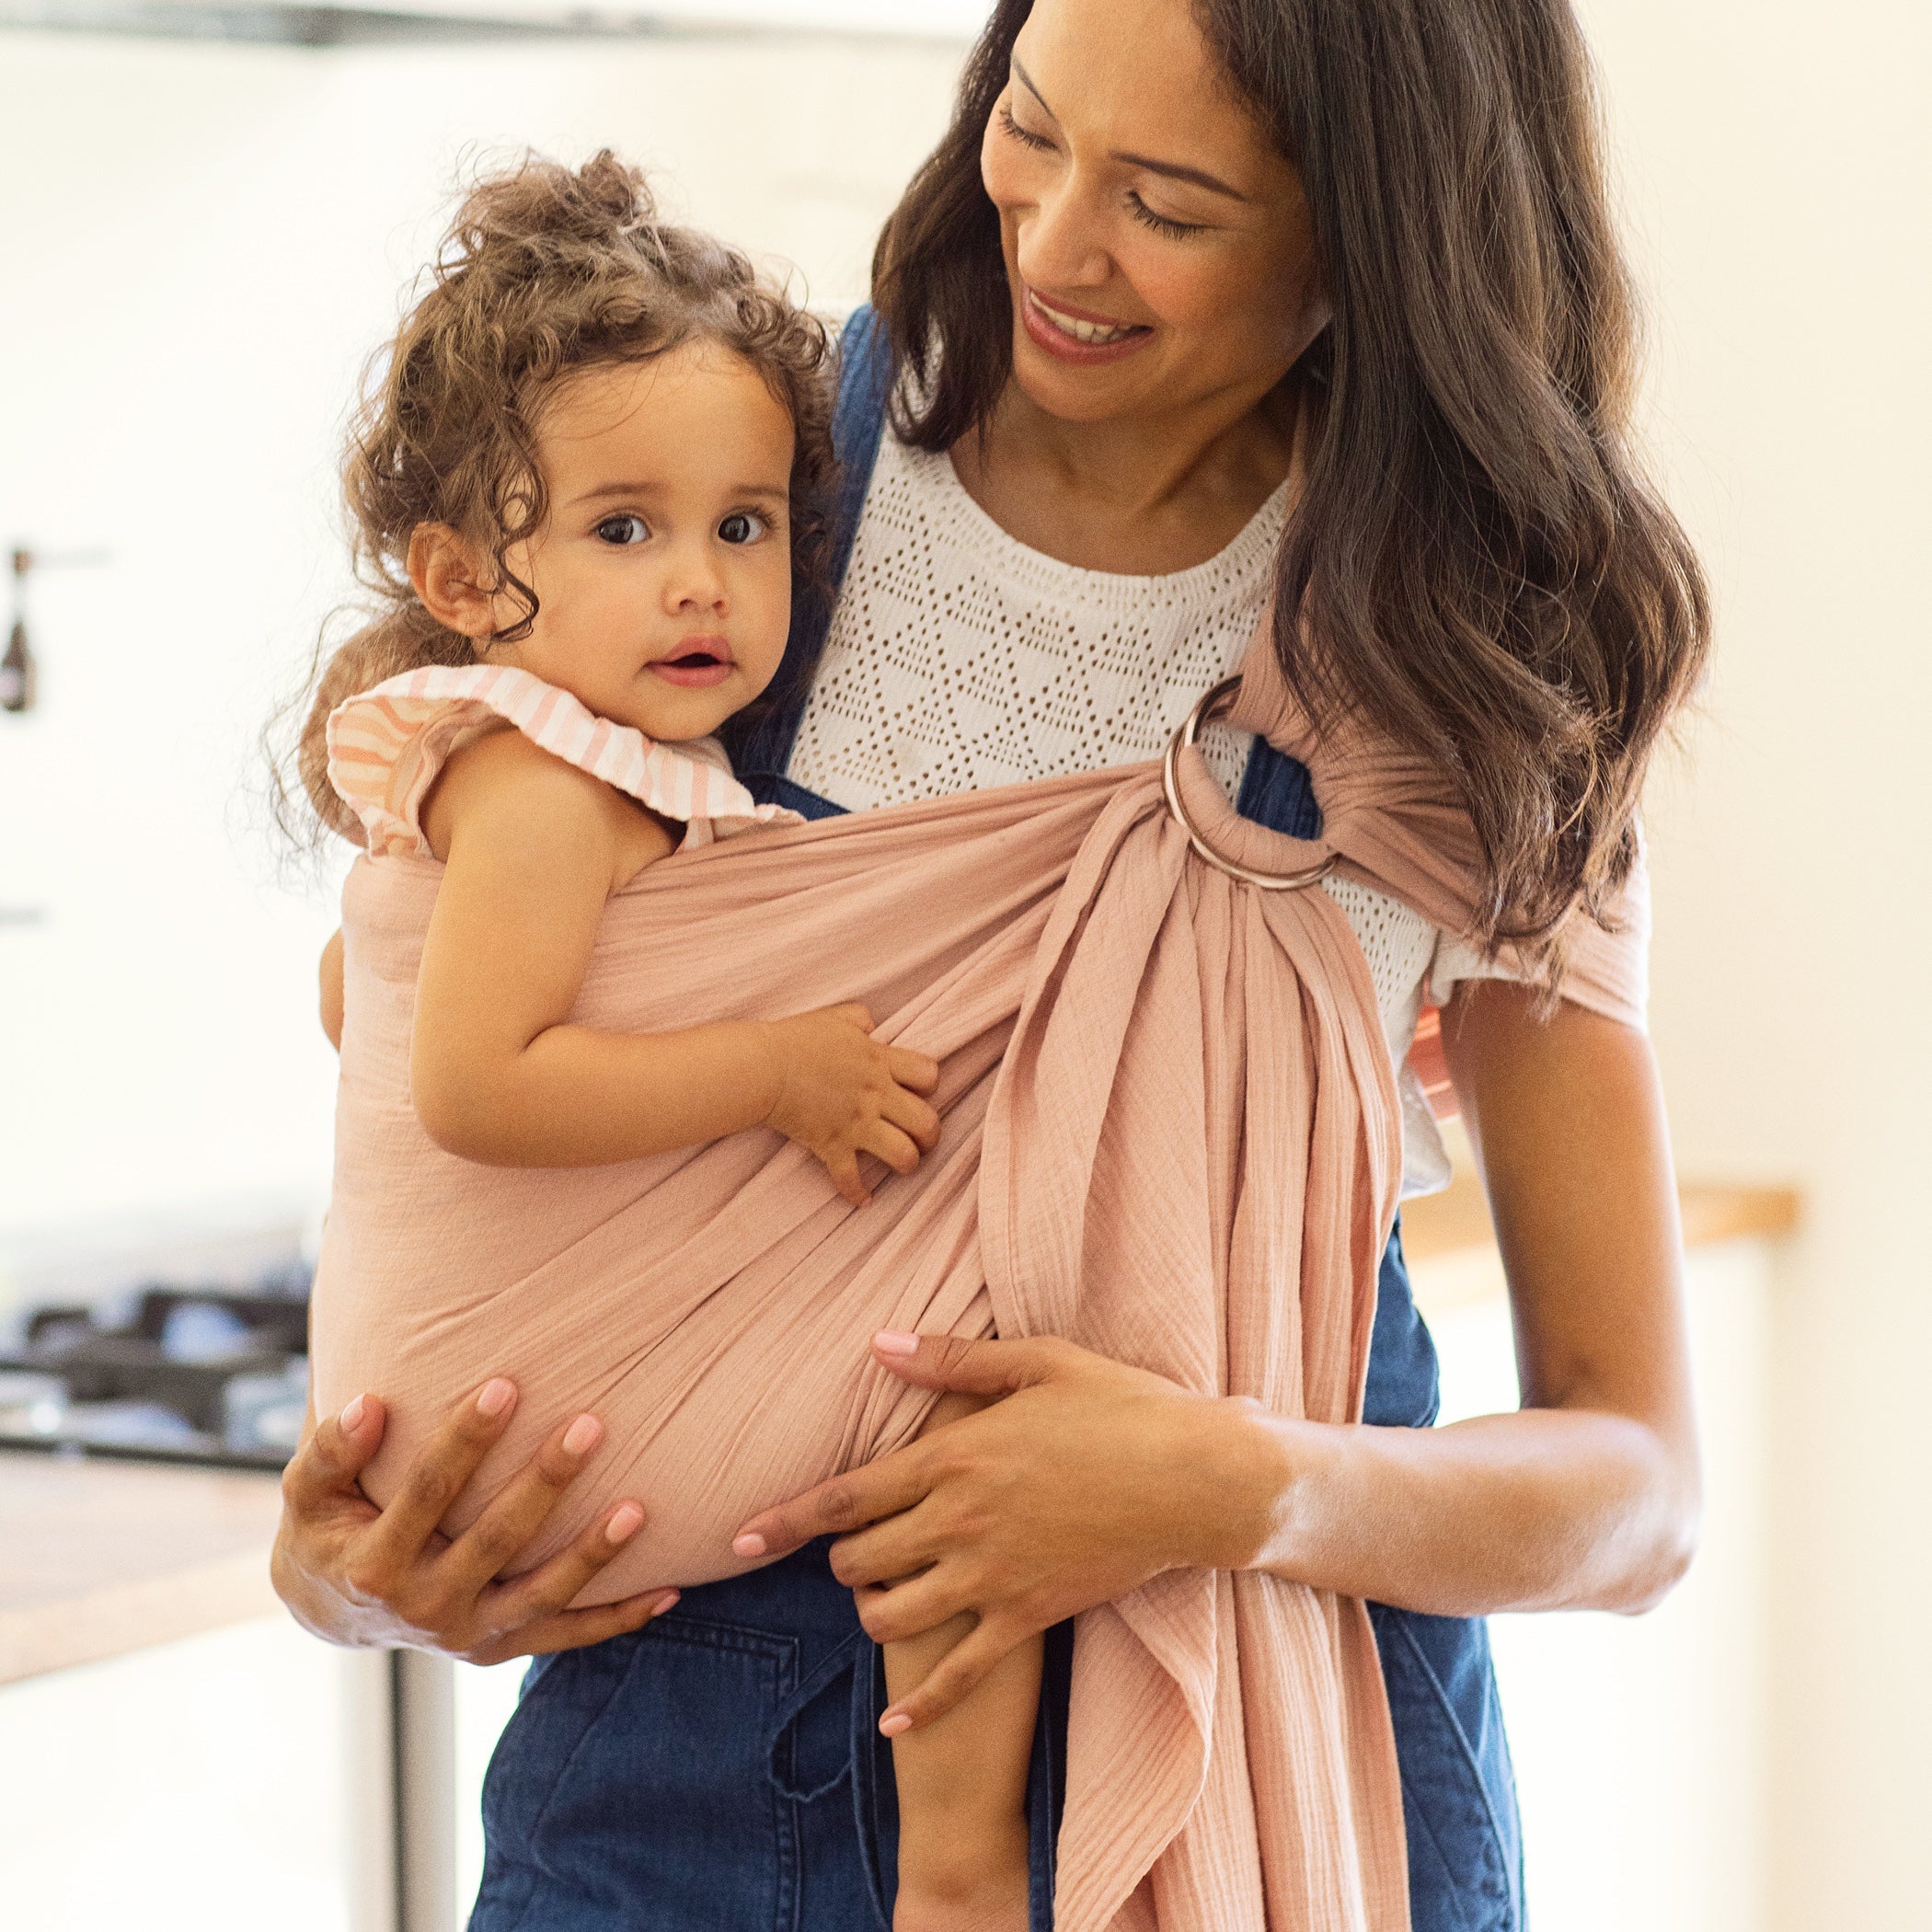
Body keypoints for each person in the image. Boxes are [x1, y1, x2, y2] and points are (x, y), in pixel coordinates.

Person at [272, 1, 1708, 1926]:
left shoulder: (1486, 659)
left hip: (1288, 1741)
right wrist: (354, 1565)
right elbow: (424, 1037)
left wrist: (1232, 1483)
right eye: (1030, 133)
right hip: (692, 1770)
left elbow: (1637, 1491)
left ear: (1376, 230)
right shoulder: (754, 483)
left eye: (1171, 206)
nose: (1048, 244)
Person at [297, 154, 1052, 1932]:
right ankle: (960, 1865)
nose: (703, 584)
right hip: (507, 1452)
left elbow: (361, 1006)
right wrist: (778, 1070)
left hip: (478, 1459)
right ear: (467, 576)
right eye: (623, 530)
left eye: (748, 523)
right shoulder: (552, 780)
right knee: (961, 1382)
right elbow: (471, 1084)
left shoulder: (586, 776)